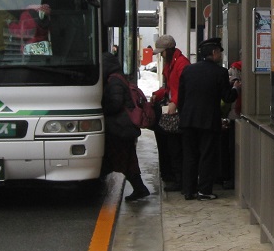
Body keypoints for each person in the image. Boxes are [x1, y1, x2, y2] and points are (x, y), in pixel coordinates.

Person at [178, 37, 239, 200]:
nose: (220, 55)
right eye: (219, 52)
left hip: (188, 120)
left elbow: (181, 98)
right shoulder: (220, 72)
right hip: (208, 121)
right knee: (207, 155)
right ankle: (204, 190)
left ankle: (188, 190)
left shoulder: (188, 70)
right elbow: (227, 98)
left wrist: (183, 115)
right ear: (214, 53)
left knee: (190, 155)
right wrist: (235, 88)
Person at [100, 51, 151, 202]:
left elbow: (115, 103)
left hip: (119, 127)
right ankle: (140, 188)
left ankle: (139, 188)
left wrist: (103, 109)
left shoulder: (114, 81)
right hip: (124, 127)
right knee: (127, 160)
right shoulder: (118, 78)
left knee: (119, 158)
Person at [151, 34, 188, 192]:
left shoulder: (181, 64)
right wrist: (158, 94)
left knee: (175, 146)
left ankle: (178, 179)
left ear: (169, 50)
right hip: (172, 108)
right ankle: (171, 175)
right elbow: (169, 88)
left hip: (178, 110)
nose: (161, 55)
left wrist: (175, 102)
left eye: (162, 52)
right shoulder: (171, 64)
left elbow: (183, 86)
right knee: (168, 142)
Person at [219, 60, 242, 189]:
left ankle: (229, 178)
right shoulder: (235, 70)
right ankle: (229, 177)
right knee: (230, 149)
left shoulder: (235, 70)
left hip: (234, 116)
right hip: (233, 117)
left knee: (230, 150)